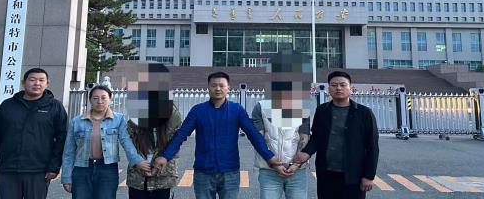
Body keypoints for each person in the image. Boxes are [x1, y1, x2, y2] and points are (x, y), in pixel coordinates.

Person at [153, 71, 280, 199]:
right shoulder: (198, 111)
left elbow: (253, 135)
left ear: (228, 88)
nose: (218, 88)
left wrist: (269, 157)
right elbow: (181, 135)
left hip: (230, 172)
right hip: (203, 172)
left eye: (221, 85)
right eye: (214, 85)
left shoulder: (237, 110)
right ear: (208, 87)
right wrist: (165, 156)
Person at [293, 71, 379, 199]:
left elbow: (372, 146)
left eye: (343, 85)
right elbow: (316, 137)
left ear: (350, 88)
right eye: (334, 85)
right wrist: (306, 153)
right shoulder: (322, 111)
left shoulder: (364, 113)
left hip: (353, 175)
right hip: (326, 174)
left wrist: (369, 176)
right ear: (329, 88)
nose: (338, 88)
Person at [0, 67, 68, 199]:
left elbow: (62, 138)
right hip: (8, 168)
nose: (37, 83)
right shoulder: (8, 105)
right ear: (24, 82)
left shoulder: (55, 107)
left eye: (41, 80)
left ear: (47, 84)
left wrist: (54, 166)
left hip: (39, 170)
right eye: (32, 80)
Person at [61, 85, 145, 199]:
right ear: (90, 100)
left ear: (110, 100)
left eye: (103, 98)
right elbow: (68, 151)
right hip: (81, 169)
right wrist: (66, 177)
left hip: (107, 169)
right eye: (95, 98)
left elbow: (126, 142)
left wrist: (137, 161)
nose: (99, 101)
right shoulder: (76, 121)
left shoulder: (118, 119)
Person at [252, 51, 312, 199]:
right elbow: (258, 139)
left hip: (297, 171)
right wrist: (274, 163)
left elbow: (304, 137)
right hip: (269, 170)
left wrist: (296, 164)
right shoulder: (260, 107)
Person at [126, 63, 182, 199]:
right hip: (138, 176)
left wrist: (160, 161)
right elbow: (129, 142)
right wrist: (138, 162)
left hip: (163, 175)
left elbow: (175, 141)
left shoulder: (173, 114)